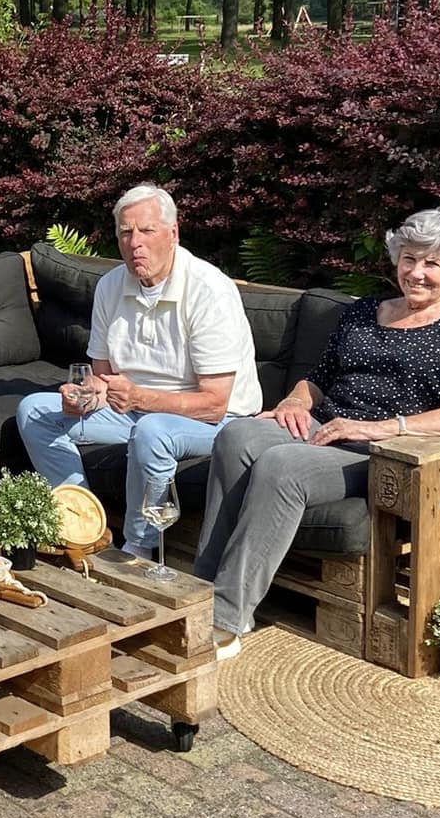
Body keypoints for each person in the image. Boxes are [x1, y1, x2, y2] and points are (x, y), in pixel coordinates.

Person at [194, 209, 440, 658]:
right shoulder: (362, 312)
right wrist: (295, 400)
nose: (416, 273)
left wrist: (381, 428)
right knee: (236, 437)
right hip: (323, 426)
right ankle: (198, 590)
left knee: (281, 466)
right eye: (409, 258)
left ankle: (226, 618)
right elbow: (319, 378)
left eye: (432, 263)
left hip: (381, 449)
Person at [15, 184, 260, 561]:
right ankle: (83, 522)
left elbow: (214, 405)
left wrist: (142, 399)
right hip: (133, 410)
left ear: (173, 233)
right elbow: (103, 378)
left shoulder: (209, 291)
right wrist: (84, 396)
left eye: (147, 231)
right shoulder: (111, 285)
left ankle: (137, 547)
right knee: (34, 410)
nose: (135, 243)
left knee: (153, 430)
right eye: (126, 232)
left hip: (217, 423)